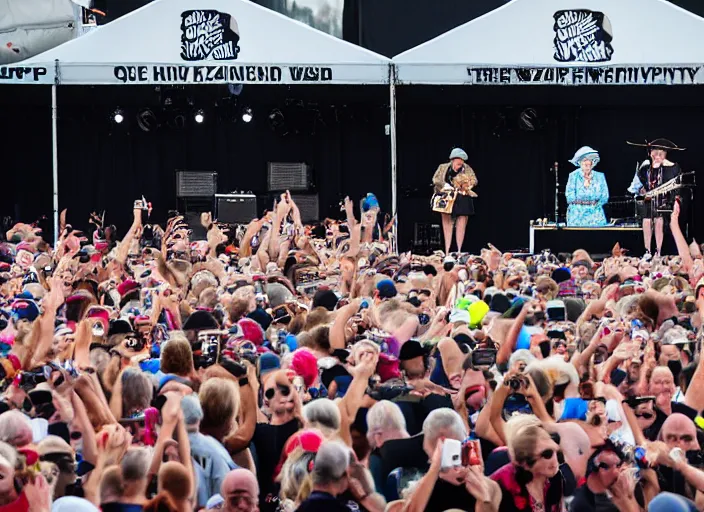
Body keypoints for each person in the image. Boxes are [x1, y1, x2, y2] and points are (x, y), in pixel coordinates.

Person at [627, 138, 685, 256]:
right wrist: (641, 191)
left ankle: (658, 251)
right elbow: (636, 186)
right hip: (647, 202)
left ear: (665, 154)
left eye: (661, 152)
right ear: (650, 153)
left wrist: (676, 201)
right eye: (655, 152)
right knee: (647, 220)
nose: (658, 155)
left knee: (659, 220)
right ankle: (647, 251)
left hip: (665, 202)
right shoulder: (644, 168)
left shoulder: (672, 168)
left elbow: (677, 188)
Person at [432, 148, 478, 254]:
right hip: (447, 197)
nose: (460, 165)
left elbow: (474, 180)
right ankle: (447, 250)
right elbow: (435, 179)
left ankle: (459, 250)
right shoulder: (443, 167)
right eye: (458, 163)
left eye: (461, 163)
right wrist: (445, 185)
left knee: (462, 222)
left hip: (461, 198)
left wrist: (467, 184)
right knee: (447, 223)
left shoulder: (467, 168)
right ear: (453, 160)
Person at [565, 146, 609, 227]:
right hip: (577, 217)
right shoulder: (573, 176)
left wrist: (593, 206)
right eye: (584, 161)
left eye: (590, 161)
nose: (587, 164)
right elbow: (569, 197)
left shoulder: (600, 176)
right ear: (579, 162)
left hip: (596, 217)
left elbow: (605, 197)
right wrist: (585, 204)